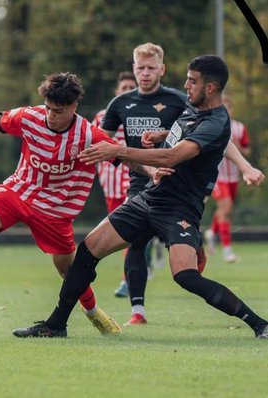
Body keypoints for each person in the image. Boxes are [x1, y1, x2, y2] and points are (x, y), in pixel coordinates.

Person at [13, 55, 268, 339]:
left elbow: (172, 156)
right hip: (148, 197)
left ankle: (259, 323)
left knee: (186, 276)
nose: (186, 84)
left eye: (192, 80)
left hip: (179, 208)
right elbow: (183, 136)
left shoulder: (216, 122)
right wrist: (163, 133)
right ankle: (56, 325)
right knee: (87, 251)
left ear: (211, 88)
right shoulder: (193, 106)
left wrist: (118, 151)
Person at [0, 72, 121, 335]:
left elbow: (123, 156)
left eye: (58, 111)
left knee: (69, 271)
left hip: (56, 211)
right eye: (48, 108)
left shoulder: (89, 135)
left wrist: (153, 170)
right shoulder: (28, 117)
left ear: (73, 107)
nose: (50, 115)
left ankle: (94, 313)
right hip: (19, 192)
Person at [99, 43, 192, 326]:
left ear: (162, 69)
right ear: (134, 68)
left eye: (151, 68)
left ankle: (193, 245)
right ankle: (137, 311)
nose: (145, 73)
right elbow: (104, 144)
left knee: (181, 247)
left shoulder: (179, 100)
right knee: (135, 241)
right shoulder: (119, 104)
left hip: (178, 183)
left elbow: (198, 135)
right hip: (139, 182)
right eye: (140, 68)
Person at [91, 71, 137, 299]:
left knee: (130, 235)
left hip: (135, 184)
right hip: (110, 186)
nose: (128, 91)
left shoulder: (141, 115)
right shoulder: (101, 117)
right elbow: (89, 144)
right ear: (117, 92)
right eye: (124, 88)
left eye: (132, 88)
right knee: (121, 236)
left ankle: (126, 281)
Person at [204, 95, 251, 263]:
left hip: (233, 177)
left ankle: (211, 232)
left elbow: (247, 151)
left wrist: (238, 149)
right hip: (216, 176)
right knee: (226, 206)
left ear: (231, 109)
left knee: (226, 210)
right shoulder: (211, 126)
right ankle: (227, 250)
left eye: (227, 107)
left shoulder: (239, 128)